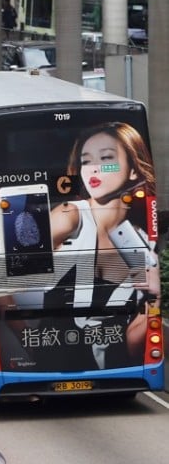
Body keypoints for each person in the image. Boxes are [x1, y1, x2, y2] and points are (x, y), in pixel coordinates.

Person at [45, 121, 160, 369]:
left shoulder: (142, 246)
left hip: (106, 368)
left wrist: (155, 300)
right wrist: (26, 351)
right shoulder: (69, 217)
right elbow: (4, 282)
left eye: (106, 159)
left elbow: (132, 342)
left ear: (133, 170)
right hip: (47, 357)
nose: (93, 169)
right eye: (86, 162)